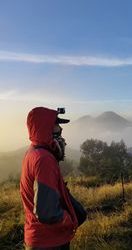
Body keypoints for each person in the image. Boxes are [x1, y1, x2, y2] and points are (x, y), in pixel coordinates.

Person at [20, 107, 78, 250]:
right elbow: (47, 213)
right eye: (57, 125)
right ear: (45, 128)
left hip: (40, 238)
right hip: (49, 241)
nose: (60, 130)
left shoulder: (34, 152)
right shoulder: (44, 159)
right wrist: (69, 221)